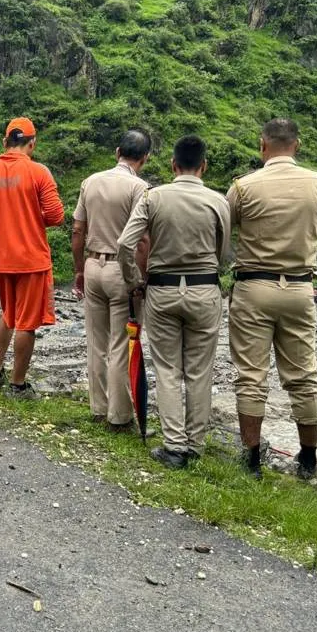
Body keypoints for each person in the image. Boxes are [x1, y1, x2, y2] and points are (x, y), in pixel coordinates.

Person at [227, 118, 317, 480]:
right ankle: (308, 460)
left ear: (263, 145)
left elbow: (224, 224)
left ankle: (252, 459)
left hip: (253, 286)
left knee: (251, 375)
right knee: (304, 375)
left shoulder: (243, 186)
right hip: (298, 287)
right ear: (298, 144)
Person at [117, 136, 231, 468]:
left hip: (162, 291)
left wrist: (134, 281)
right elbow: (223, 254)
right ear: (204, 166)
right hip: (204, 290)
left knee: (167, 369)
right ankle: (195, 445)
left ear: (172, 165)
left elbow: (126, 244)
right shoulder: (218, 201)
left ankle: (174, 445)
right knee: (200, 371)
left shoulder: (154, 197)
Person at [0, 117, 65, 398]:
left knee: (8, 315)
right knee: (27, 323)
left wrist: (2, 222)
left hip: (2, 259)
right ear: (32, 143)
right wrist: (29, 219)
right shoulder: (39, 173)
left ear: (4, 142)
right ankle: (18, 384)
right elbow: (56, 216)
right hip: (32, 259)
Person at [71, 130, 151, 428]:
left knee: (96, 341)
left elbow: (78, 230)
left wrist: (79, 270)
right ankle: (119, 416)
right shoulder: (140, 188)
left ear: (117, 151)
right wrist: (139, 279)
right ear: (144, 158)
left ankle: (98, 406)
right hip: (121, 269)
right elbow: (141, 241)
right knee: (120, 342)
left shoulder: (90, 181)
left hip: (93, 264)